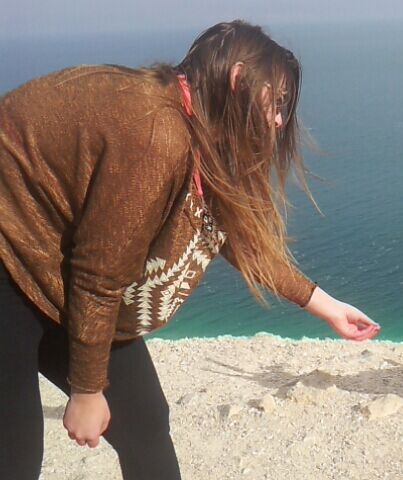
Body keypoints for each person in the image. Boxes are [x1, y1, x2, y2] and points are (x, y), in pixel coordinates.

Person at [0, 20, 380, 479]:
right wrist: (86, 390)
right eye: (276, 102)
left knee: (143, 420)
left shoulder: (198, 129)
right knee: (15, 450)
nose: (280, 120)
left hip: (56, 270)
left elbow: (232, 233)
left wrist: (326, 305)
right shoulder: (155, 131)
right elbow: (99, 272)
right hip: (8, 254)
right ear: (238, 78)